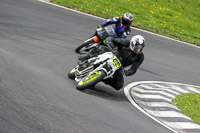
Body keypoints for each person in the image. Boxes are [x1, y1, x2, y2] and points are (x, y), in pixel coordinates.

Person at [78, 35, 145, 90]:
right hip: (112, 55)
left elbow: (133, 69)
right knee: (101, 48)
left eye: (140, 48)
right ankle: (85, 60)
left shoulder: (140, 57)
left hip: (118, 67)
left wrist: (126, 73)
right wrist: (111, 46)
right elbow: (110, 39)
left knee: (119, 85)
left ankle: (100, 78)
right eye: (137, 47)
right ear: (132, 44)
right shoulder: (126, 42)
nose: (138, 50)